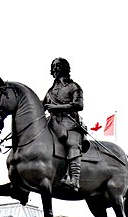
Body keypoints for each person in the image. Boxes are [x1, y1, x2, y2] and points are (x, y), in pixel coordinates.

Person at [43, 57, 84, 191]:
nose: (55, 68)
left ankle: (74, 180)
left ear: (65, 68)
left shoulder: (74, 87)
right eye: (53, 66)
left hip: (70, 123)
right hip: (53, 122)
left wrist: (57, 108)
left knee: (72, 144)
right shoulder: (50, 91)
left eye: (58, 66)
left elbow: (79, 105)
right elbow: (42, 106)